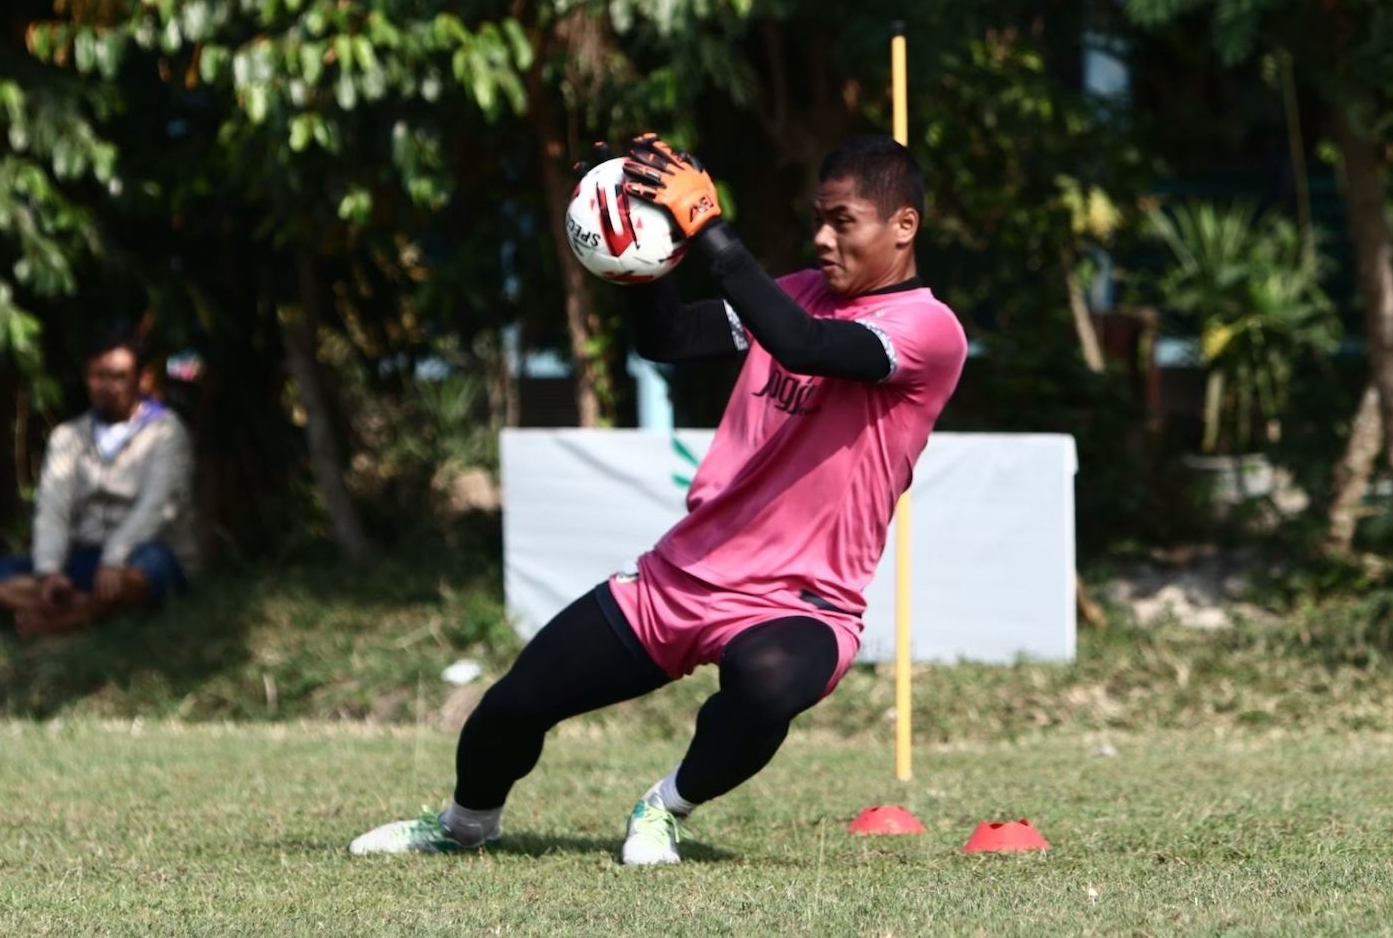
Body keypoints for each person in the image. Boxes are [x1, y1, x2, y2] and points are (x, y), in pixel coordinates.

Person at [351, 133, 967, 866]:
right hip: (684, 574)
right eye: (818, 218)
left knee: (768, 689)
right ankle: (461, 826)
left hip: (804, 602)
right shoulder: (796, 292)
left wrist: (709, 226)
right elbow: (671, 338)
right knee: (513, 706)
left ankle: (663, 807)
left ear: (904, 226)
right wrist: (642, 251)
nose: (822, 237)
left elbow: (803, 345)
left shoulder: (927, 330)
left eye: (843, 221)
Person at [0, 325, 200, 639]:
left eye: (118, 376)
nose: (107, 386)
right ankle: (85, 604)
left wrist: (115, 559)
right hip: (85, 560)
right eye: (97, 376)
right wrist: (49, 571)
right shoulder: (68, 436)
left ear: (142, 378)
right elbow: (53, 509)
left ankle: (65, 619)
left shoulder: (165, 432)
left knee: (152, 567)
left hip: (141, 555)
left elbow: (157, 507)